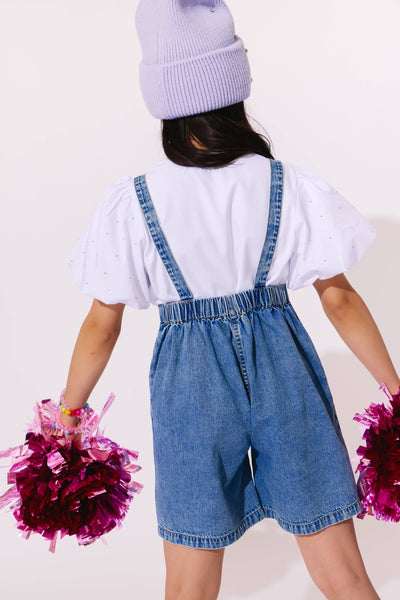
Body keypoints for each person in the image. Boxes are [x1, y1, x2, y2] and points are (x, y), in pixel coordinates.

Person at [62, 2, 396, 598]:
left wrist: (69, 413)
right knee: (344, 574)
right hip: (284, 367)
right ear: (235, 91)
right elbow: (340, 301)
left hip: (188, 383)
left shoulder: (134, 201)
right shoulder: (287, 184)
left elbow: (101, 326)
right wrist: (394, 389)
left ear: (162, 102)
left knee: (189, 584)